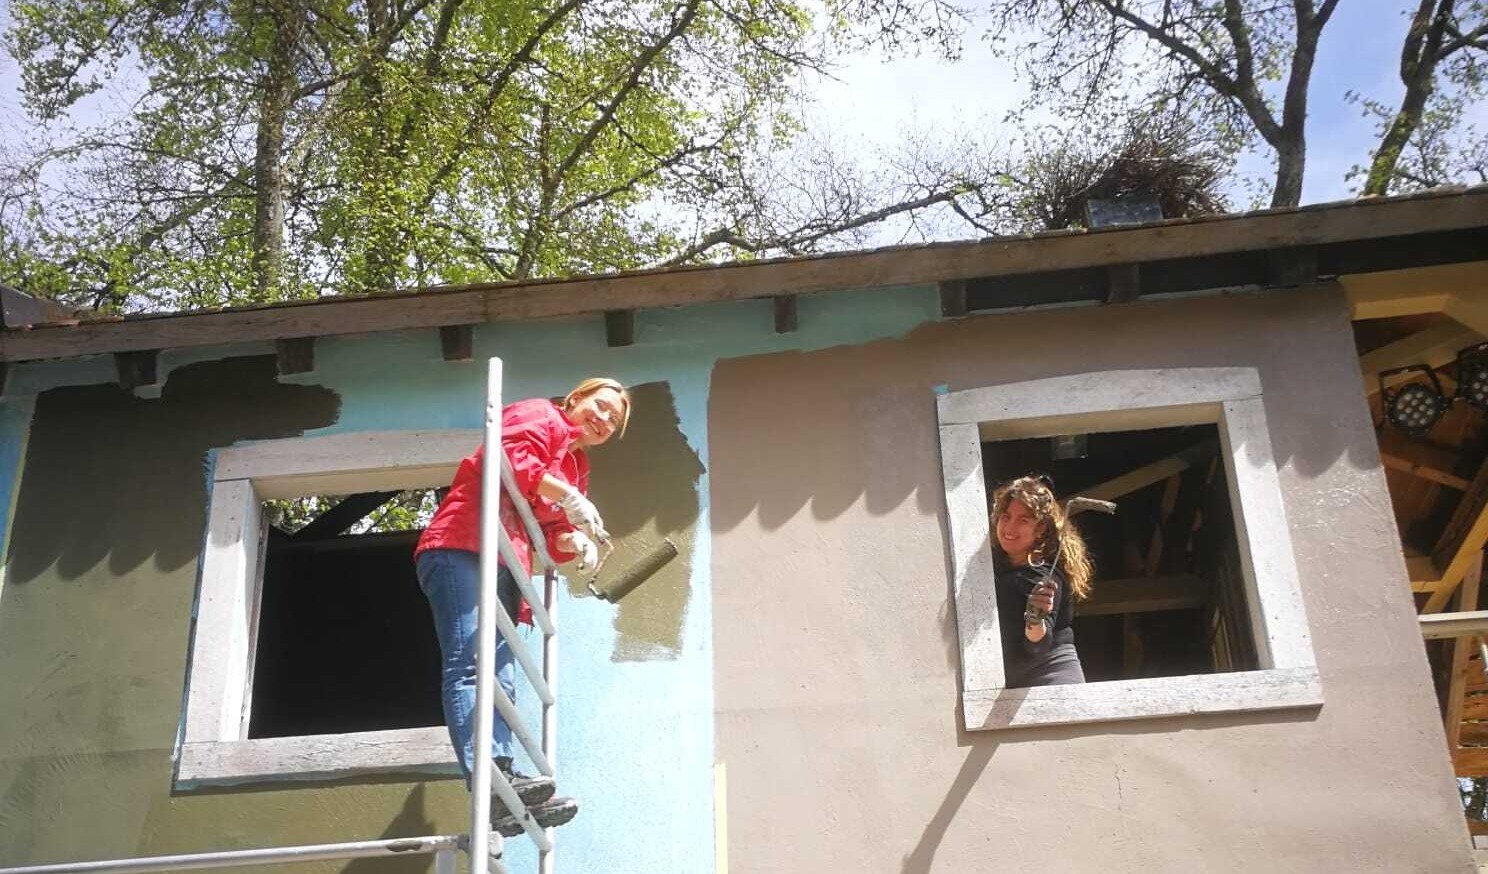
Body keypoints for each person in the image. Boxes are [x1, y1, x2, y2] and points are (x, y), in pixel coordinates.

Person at [414, 377, 630, 836]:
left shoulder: (576, 466)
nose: (604, 419)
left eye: (614, 419)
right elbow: (511, 459)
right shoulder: (539, 415)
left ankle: (505, 785)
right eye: (601, 405)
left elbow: (549, 532)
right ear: (576, 398)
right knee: (473, 665)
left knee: (504, 679)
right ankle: (488, 778)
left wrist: (572, 540)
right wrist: (567, 497)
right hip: (463, 545)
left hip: (506, 562)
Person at [989, 474, 1094, 687]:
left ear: (1040, 529)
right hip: (1015, 687)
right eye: (1006, 516)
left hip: (1052, 684)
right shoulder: (996, 565)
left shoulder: (1042, 575)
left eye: (1023, 520)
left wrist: (1035, 619)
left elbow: (1038, 644)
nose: (1009, 527)